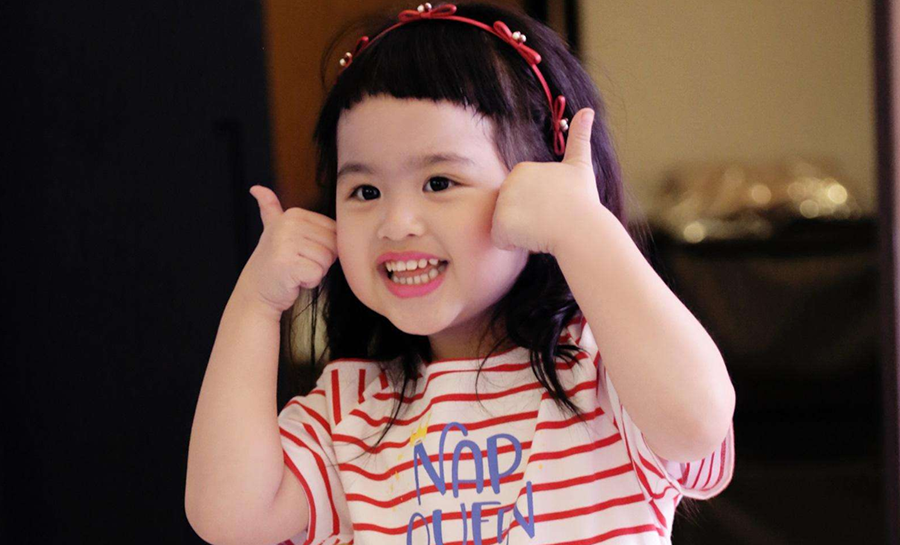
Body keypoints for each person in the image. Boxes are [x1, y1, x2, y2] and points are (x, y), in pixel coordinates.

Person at [185, 3, 736, 544]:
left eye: (439, 183)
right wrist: (256, 303)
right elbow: (230, 519)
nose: (396, 224)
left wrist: (582, 228)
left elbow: (696, 423)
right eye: (366, 191)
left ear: (535, 183)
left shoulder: (606, 372)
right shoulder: (347, 411)